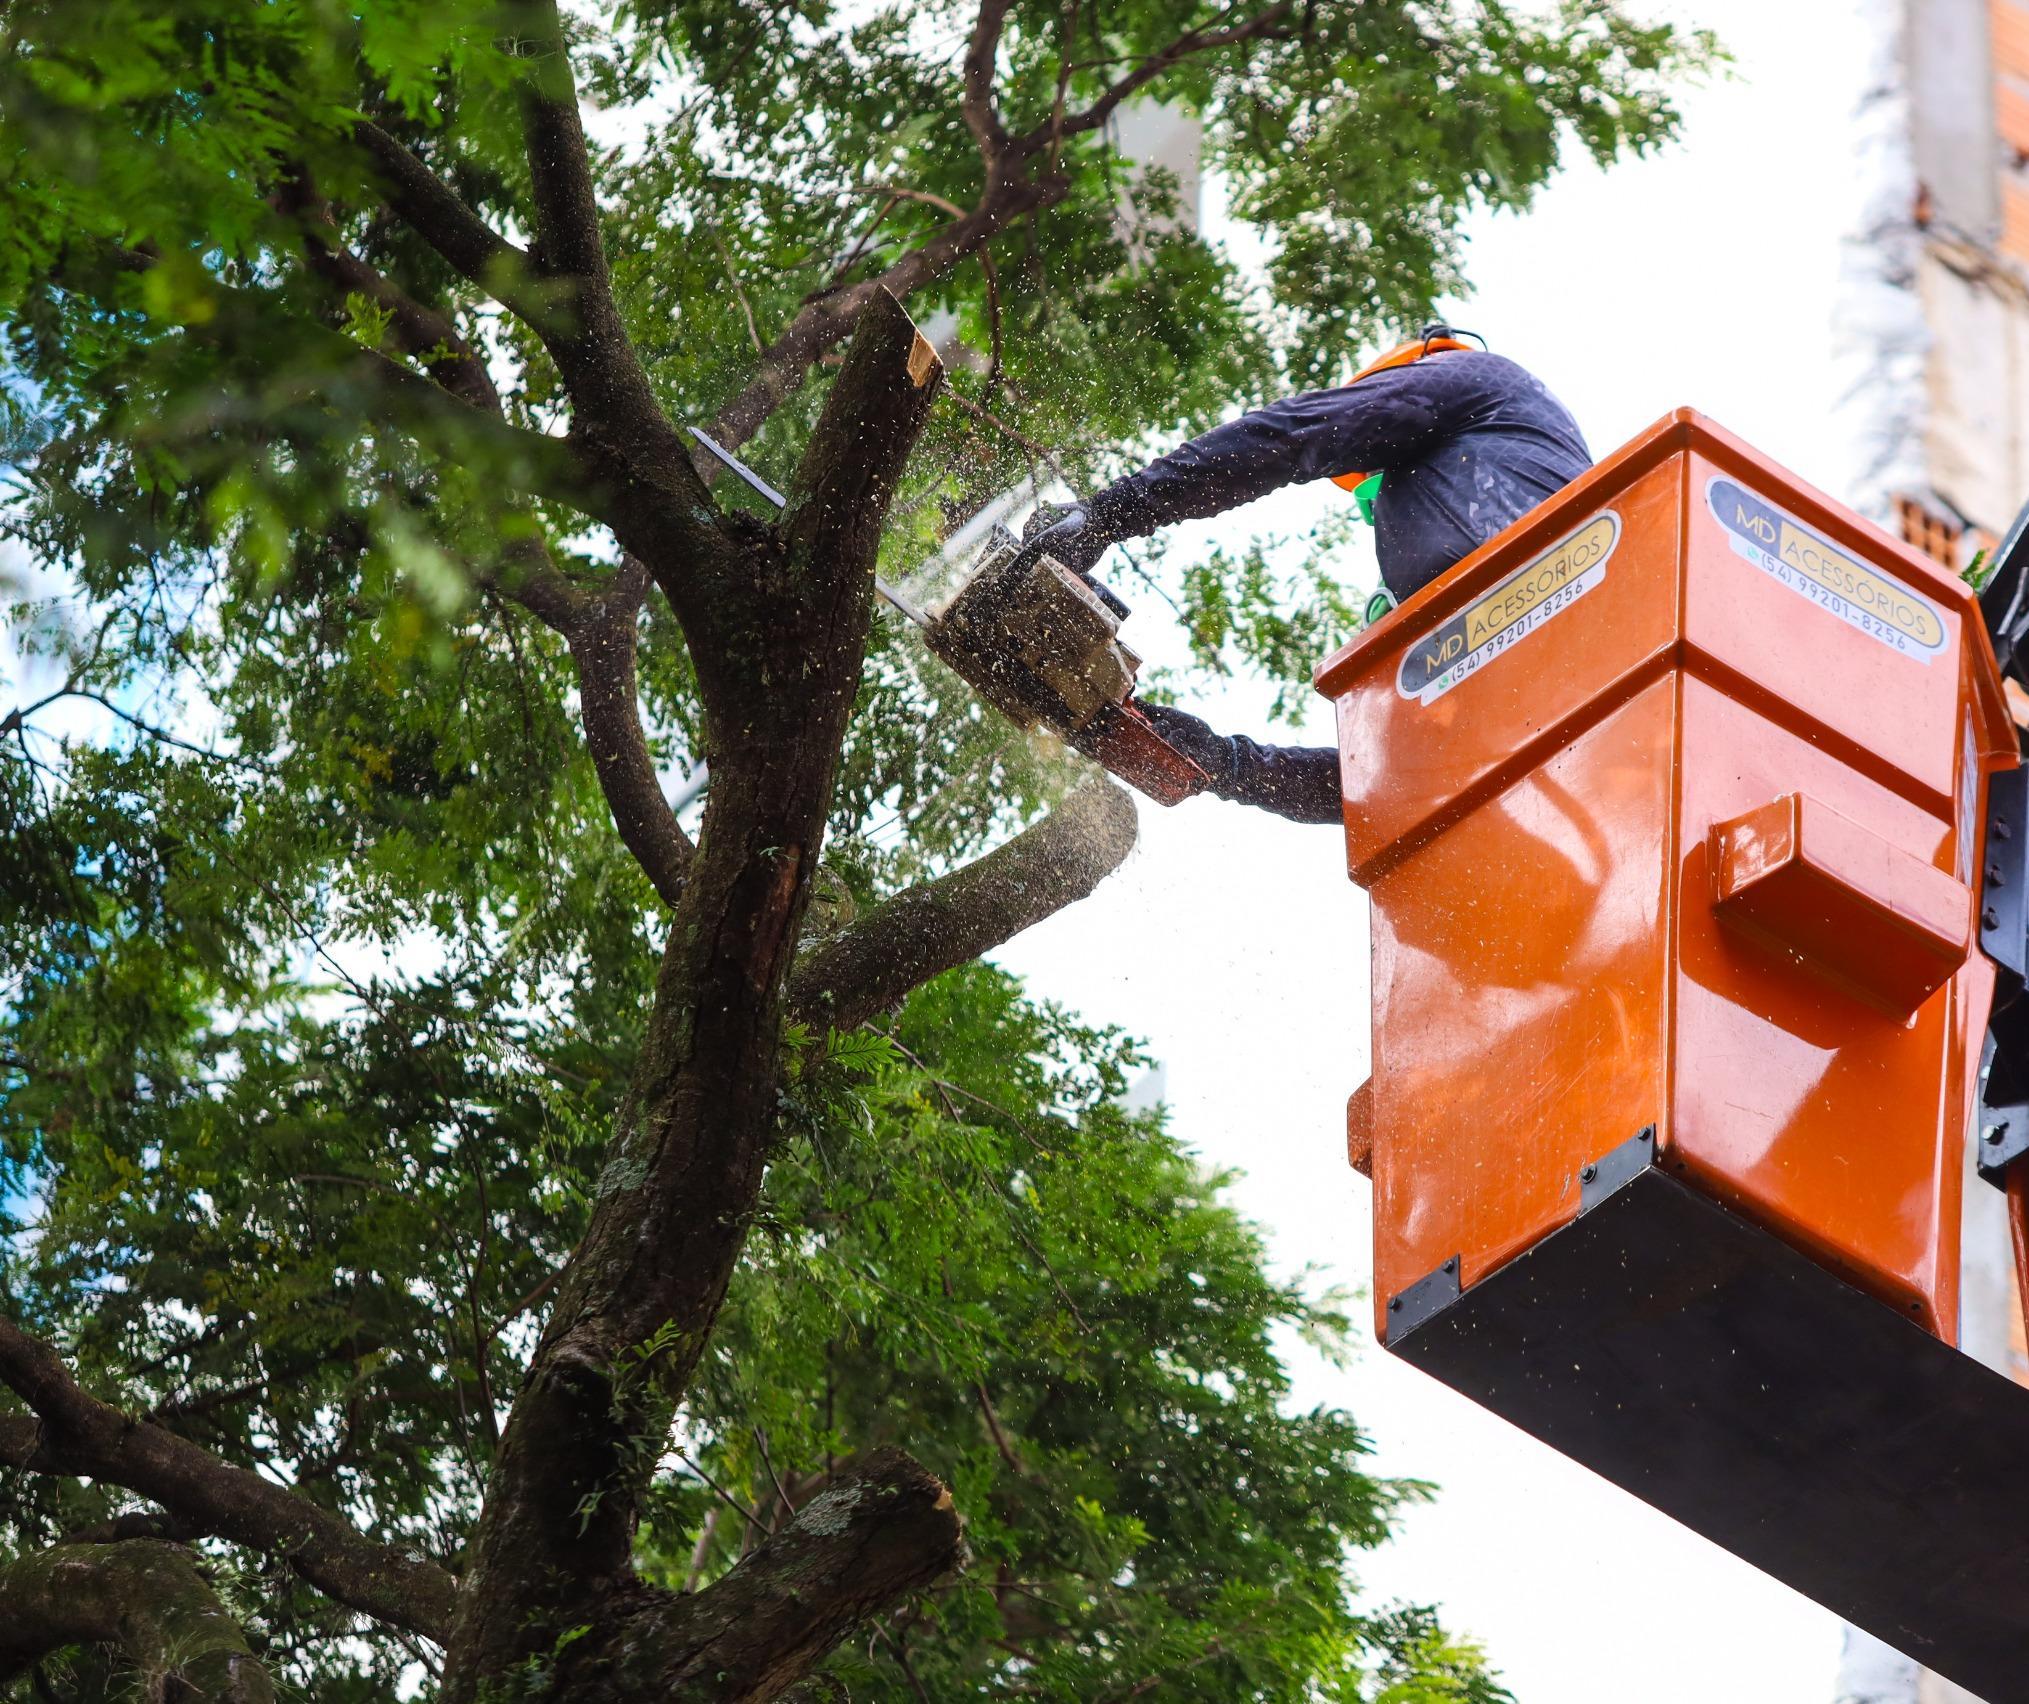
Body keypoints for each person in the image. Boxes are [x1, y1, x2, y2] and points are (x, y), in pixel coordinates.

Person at [1017, 327, 1592, 822]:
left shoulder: (1476, 378)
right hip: (1550, 747)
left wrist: (1110, 513)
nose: (1379, 501)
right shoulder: (1452, 648)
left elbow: (1297, 434)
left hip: (1564, 604)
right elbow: (1392, 786)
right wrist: (1224, 763)